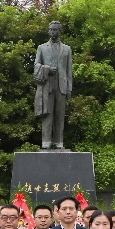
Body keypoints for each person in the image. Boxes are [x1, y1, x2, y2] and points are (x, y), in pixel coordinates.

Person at [34, 20, 73, 150]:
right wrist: (47, 69)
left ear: (59, 31)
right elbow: (36, 65)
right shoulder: (42, 48)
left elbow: (69, 70)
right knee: (47, 114)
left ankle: (58, 142)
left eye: (55, 29)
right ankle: (46, 141)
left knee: (60, 115)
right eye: (50, 29)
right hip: (48, 85)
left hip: (62, 86)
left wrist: (69, 88)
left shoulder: (67, 49)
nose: (52, 32)